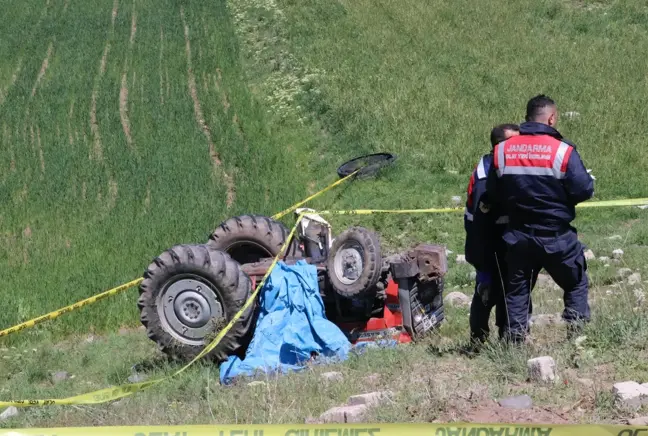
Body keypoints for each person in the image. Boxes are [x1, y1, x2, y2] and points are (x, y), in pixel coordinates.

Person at [486, 95, 595, 343]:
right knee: (576, 282)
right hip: (556, 236)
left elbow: (493, 192)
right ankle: (577, 338)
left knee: (517, 291)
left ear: (527, 118)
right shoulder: (562, 150)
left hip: (518, 235)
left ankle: (514, 343)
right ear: (552, 118)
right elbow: (583, 190)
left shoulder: (502, 150)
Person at [464, 124, 535, 346]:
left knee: (514, 288)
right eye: (514, 142)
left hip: (507, 237)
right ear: (499, 145)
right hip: (487, 240)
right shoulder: (487, 174)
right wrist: (484, 261)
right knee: (487, 292)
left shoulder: (507, 165)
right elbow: (481, 218)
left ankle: (509, 336)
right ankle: (478, 340)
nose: (520, 146)